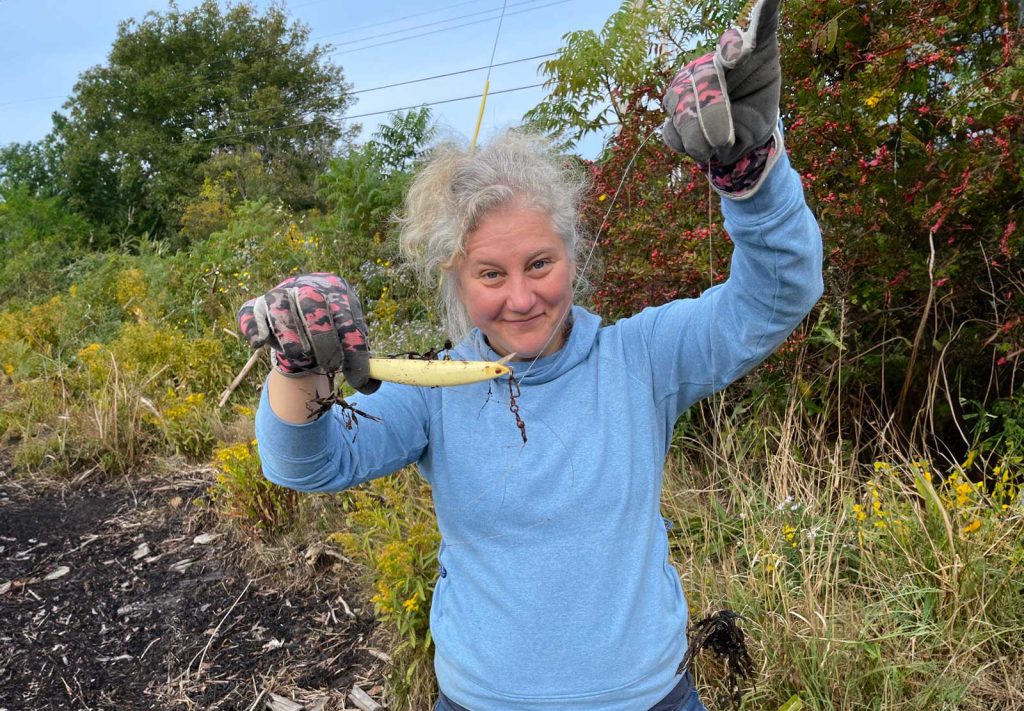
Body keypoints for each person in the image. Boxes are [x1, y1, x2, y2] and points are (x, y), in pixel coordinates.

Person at [238, 0, 822, 708]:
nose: (520, 298)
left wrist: (751, 175)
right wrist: (297, 367)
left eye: (540, 263)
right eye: (490, 274)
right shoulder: (435, 389)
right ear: (456, 279)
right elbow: (306, 463)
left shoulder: (641, 358)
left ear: (574, 255)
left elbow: (778, 294)